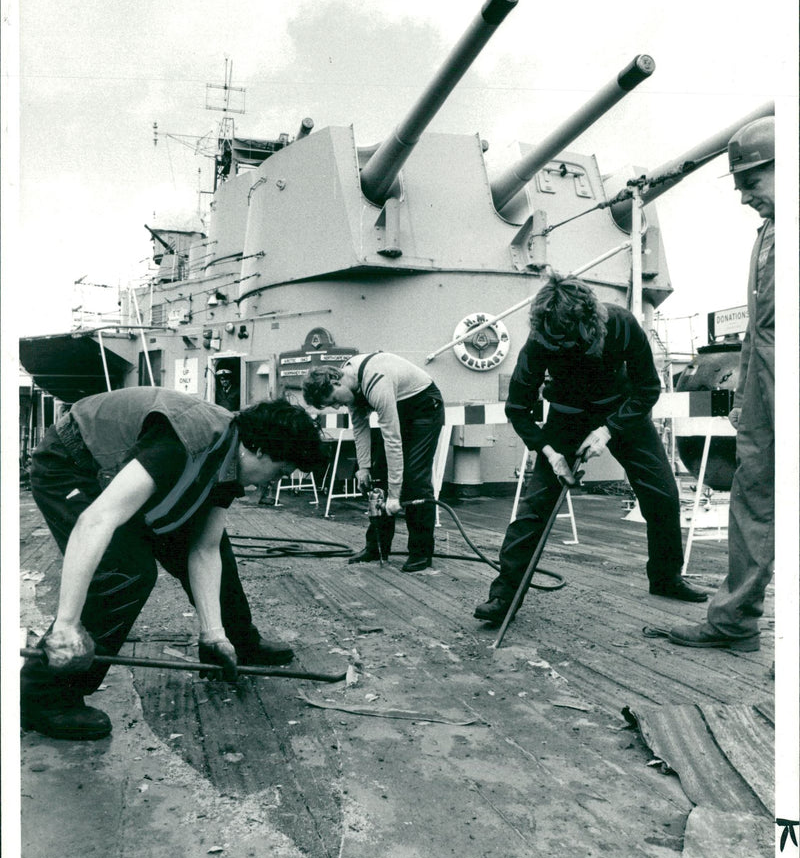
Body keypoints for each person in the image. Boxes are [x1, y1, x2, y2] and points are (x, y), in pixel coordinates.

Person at [20, 388, 325, 740]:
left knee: (219, 553)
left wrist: (214, 632)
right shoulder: (183, 442)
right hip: (73, 462)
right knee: (127, 570)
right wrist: (67, 624)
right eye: (281, 470)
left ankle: (234, 643)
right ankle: (42, 696)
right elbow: (96, 521)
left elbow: (205, 550)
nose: (277, 481)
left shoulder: (230, 461)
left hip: (129, 471)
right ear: (257, 448)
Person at [474, 273, 707, 627]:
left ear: (591, 325)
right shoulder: (538, 342)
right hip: (565, 419)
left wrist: (608, 430)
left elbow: (647, 388)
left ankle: (666, 578)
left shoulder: (623, 325)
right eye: (556, 345)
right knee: (536, 505)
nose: (563, 350)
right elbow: (517, 409)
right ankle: (504, 594)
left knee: (662, 492)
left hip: (621, 413)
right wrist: (550, 453)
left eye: (570, 343)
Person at [670, 116, 774, 652]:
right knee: (753, 498)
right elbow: (760, 332)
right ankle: (734, 622)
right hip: (766, 389)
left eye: (751, 181)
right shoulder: (768, 234)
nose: (742, 196)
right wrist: (747, 399)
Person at [302, 352, 445, 572]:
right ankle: (376, 548)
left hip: (424, 409)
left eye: (334, 401)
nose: (338, 406)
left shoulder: (376, 380)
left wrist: (396, 496)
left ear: (335, 381)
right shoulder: (350, 386)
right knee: (378, 477)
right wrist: (364, 468)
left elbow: (392, 440)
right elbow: (360, 429)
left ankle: (421, 553)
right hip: (400, 408)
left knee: (415, 478)